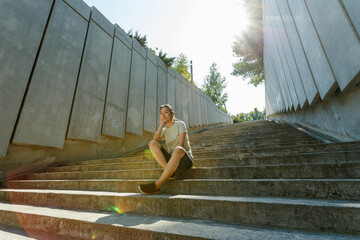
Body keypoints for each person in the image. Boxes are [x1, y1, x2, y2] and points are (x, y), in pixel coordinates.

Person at [139, 104, 193, 194]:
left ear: (172, 114)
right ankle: (170, 172)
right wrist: (161, 124)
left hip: (184, 159)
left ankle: (158, 185)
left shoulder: (180, 124)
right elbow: (155, 139)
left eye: (166, 112)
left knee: (178, 148)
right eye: (161, 113)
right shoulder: (164, 130)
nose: (163, 115)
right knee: (152, 143)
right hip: (172, 160)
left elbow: (181, 145)